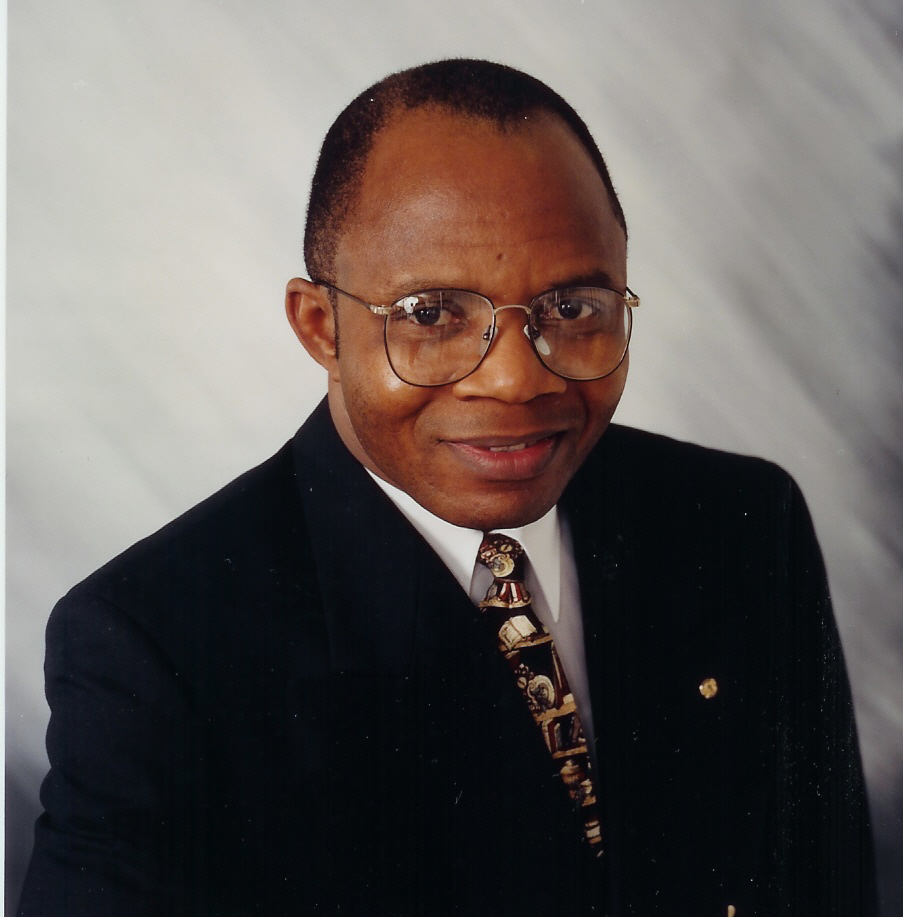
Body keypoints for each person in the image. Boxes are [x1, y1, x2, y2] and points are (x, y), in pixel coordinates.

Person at [18, 59, 876, 917]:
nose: (515, 380)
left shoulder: (739, 525)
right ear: (321, 328)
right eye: (430, 315)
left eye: (572, 307)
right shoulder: (157, 645)